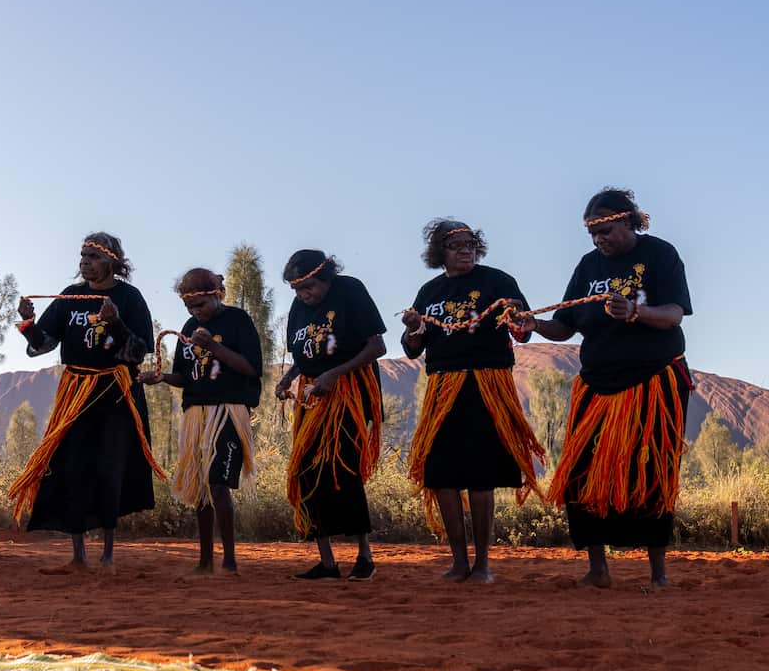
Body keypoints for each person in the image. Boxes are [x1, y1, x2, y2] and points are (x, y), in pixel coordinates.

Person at [518, 188, 693, 588]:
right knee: (580, 472)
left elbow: (674, 315)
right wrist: (534, 326)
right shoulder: (587, 266)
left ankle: (657, 573)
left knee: (651, 470)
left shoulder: (660, 255)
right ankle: (598, 569)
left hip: (652, 383)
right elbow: (565, 325)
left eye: (607, 230)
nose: (600, 240)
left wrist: (635, 311)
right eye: (594, 234)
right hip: (596, 384)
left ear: (630, 220)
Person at [400, 219, 545, 584]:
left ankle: (483, 564)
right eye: (455, 245)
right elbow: (412, 349)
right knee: (441, 476)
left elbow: (522, 333)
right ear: (440, 253)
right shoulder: (430, 291)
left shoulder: (498, 282)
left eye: (469, 244)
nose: (465, 250)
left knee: (481, 478)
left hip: (488, 384)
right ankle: (459, 562)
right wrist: (415, 325)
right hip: (443, 388)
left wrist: (517, 318)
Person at [9, 232, 165, 573]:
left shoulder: (129, 297)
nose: (84, 262)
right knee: (72, 468)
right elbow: (43, 344)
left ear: (112, 262)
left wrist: (116, 322)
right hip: (75, 394)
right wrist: (28, 323)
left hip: (115, 392)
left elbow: (139, 351)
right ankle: (78, 555)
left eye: (92, 257)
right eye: (82, 256)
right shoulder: (70, 297)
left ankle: (108, 554)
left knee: (110, 468)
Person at [276, 250, 386, 581]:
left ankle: (364, 557)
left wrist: (335, 375)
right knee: (307, 470)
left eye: (308, 287)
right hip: (313, 397)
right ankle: (326, 562)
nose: (303, 295)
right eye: (297, 290)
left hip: (350, 392)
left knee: (342, 469)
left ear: (326, 278)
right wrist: (288, 377)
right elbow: (307, 352)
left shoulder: (350, 291)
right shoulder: (300, 307)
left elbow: (377, 346)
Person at [143, 268, 262, 575]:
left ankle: (230, 560)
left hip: (228, 410)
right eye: (190, 308)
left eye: (201, 306)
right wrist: (162, 378)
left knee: (218, 483)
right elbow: (184, 376)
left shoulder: (238, 320)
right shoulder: (188, 327)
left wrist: (213, 347)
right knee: (200, 485)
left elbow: (251, 368)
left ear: (216, 294)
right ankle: (205, 560)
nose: (196, 313)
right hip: (196, 413)